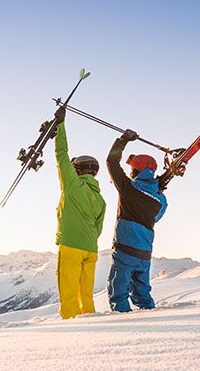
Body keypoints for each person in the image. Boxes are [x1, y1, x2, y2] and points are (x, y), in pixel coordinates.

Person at [51, 105, 107, 319]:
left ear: (77, 169)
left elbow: (61, 154)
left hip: (71, 246)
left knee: (69, 293)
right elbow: (98, 227)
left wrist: (60, 126)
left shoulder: (73, 185)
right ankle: (89, 319)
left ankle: (71, 328)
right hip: (90, 250)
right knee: (86, 294)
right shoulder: (100, 199)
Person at [106, 130, 168, 312]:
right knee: (142, 293)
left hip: (125, 250)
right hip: (145, 253)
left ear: (135, 170)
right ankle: (150, 316)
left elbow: (111, 162)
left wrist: (123, 140)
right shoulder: (161, 199)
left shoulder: (128, 189)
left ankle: (122, 324)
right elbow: (156, 217)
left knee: (118, 292)